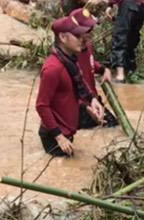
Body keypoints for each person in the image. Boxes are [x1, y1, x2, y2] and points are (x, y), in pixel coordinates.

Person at [35, 15, 106, 156]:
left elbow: (72, 93)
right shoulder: (53, 68)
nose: (82, 40)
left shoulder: (70, 61)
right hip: (55, 136)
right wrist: (59, 137)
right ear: (63, 37)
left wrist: (91, 100)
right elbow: (41, 105)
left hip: (66, 131)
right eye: (77, 36)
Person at [70, 7, 118, 127]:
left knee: (114, 126)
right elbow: (67, 90)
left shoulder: (87, 45)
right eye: (87, 30)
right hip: (78, 107)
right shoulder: (70, 54)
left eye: (91, 28)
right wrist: (86, 107)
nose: (91, 32)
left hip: (92, 100)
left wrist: (103, 69)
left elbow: (90, 63)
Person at [102, 0, 144, 82]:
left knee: (119, 38)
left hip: (129, 5)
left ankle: (120, 76)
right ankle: (131, 71)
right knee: (131, 39)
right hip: (141, 8)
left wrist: (110, 5)